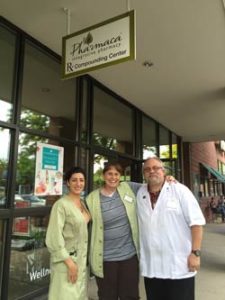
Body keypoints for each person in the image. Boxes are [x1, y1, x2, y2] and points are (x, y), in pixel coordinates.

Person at [136, 157, 205, 300]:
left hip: (178, 266)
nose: (152, 171)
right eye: (147, 169)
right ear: (143, 174)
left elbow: (196, 223)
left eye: (156, 168)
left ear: (164, 171)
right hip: (153, 268)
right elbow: (117, 184)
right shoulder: (139, 193)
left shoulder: (180, 190)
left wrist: (195, 253)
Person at [86, 162, 140, 300]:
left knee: (130, 295)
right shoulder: (91, 198)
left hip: (129, 256)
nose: (113, 177)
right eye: (110, 173)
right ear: (103, 175)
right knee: (107, 296)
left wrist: (168, 179)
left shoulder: (129, 188)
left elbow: (152, 187)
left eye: (117, 174)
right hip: (105, 258)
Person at [46, 167, 91, 300]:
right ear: (67, 183)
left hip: (81, 261)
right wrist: (70, 263)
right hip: (66, 262)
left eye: (81, 180)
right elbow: (53, 237)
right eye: (74, 180)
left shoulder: (82, 203)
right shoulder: (61, 205)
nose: (78, 184)